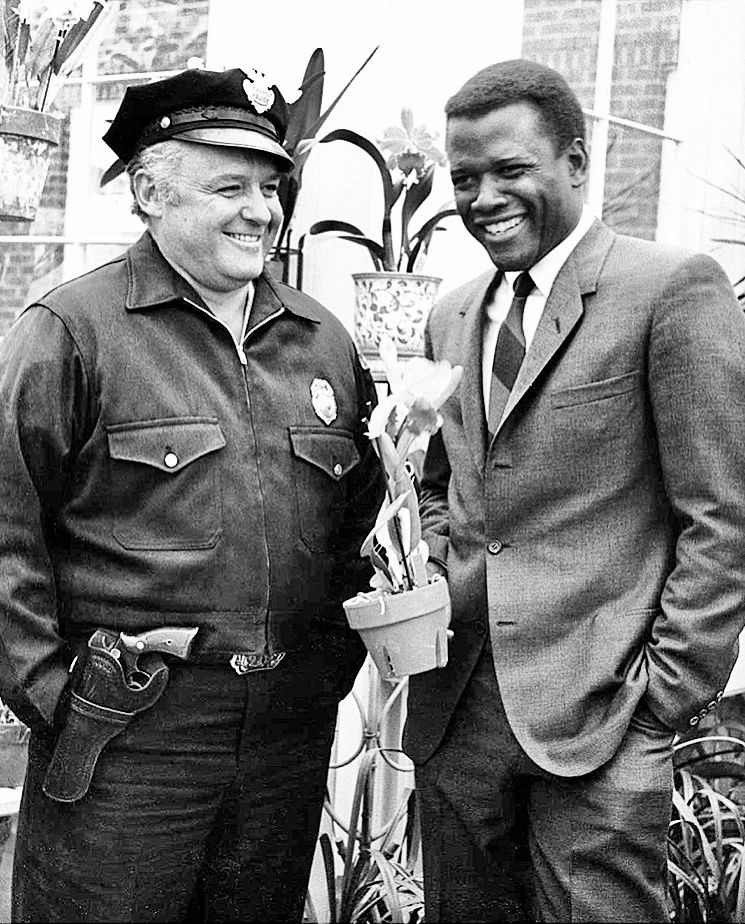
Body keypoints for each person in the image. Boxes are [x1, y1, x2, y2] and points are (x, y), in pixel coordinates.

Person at [0, 66, 384, 923]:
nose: (261, 209)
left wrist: (327, 671)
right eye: (229, 186)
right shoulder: (71, 331)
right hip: (129, 728)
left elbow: (361, 528)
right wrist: (57, 696)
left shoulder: (322, 344)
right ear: (148, 192)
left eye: (270, 186)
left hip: (284, 731)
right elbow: (3, 532)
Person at [404, 57, 745, 922]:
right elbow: (443, 487)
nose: (483, 198)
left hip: (604, 716)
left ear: (577, 163)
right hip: (460, 713)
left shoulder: (669, 289)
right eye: (465, 178)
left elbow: (722, 515)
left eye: (510, 171)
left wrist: (659, 698)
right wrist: (435, 573)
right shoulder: (449, 313)